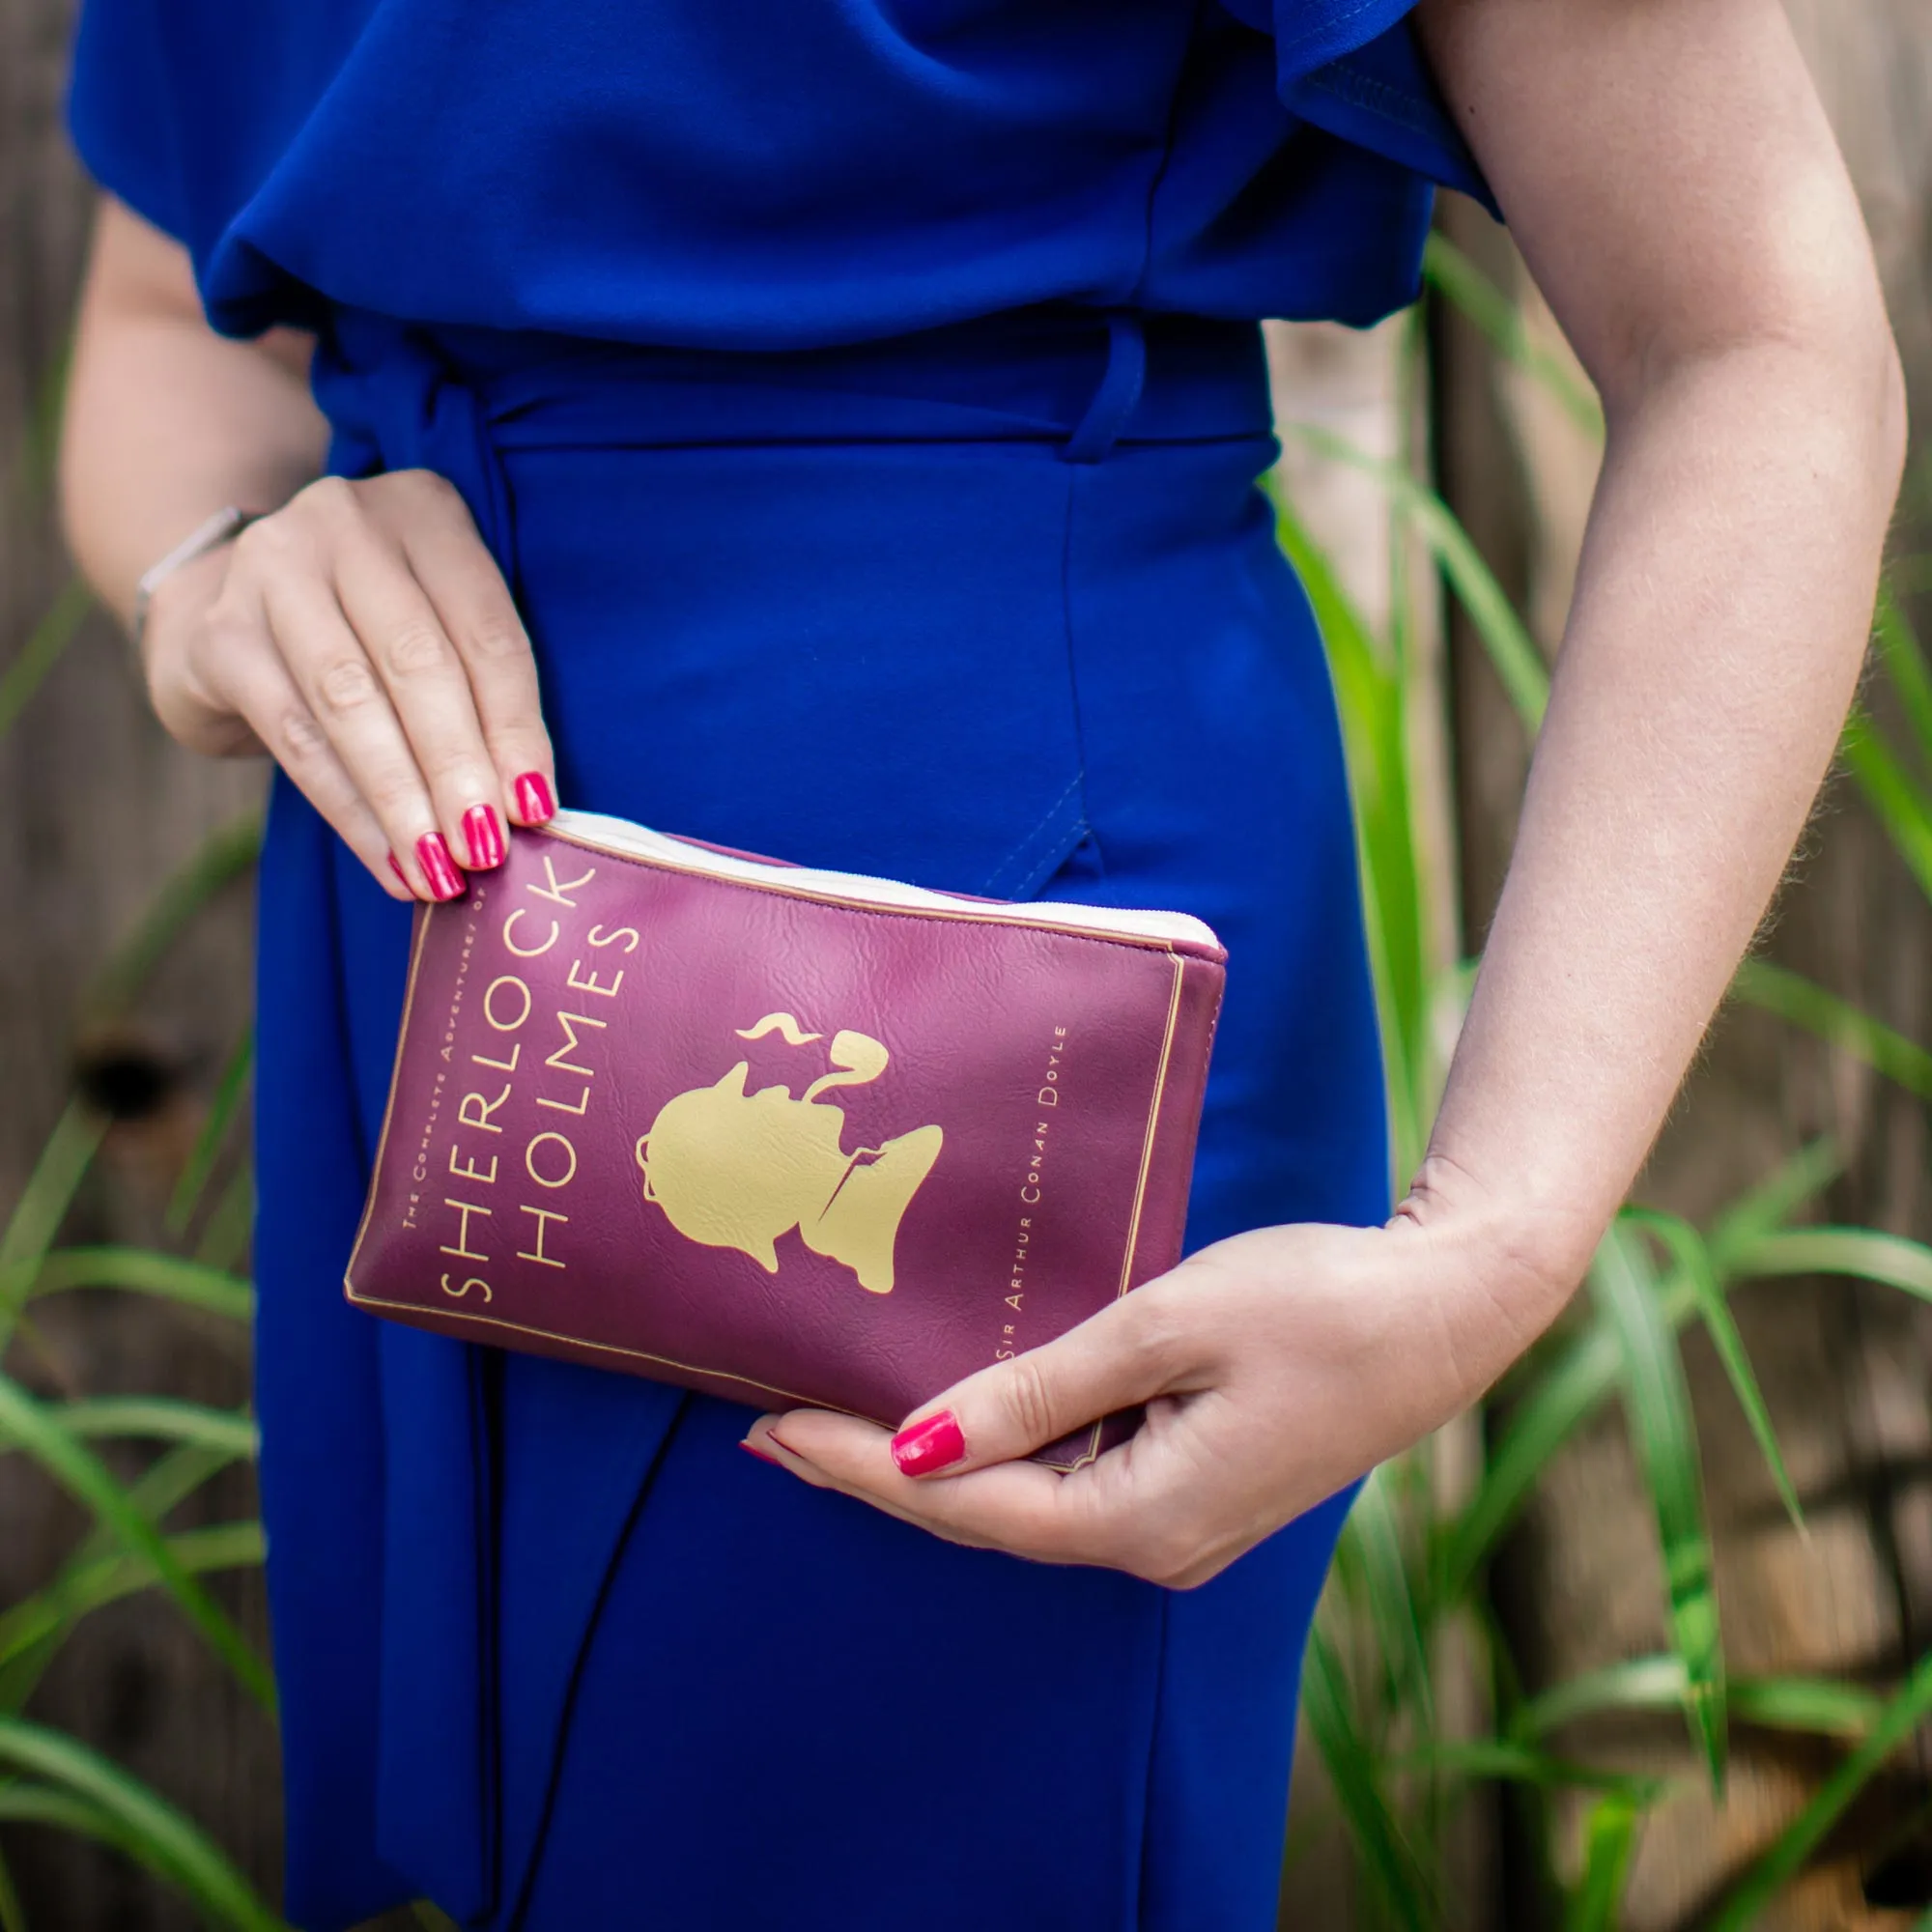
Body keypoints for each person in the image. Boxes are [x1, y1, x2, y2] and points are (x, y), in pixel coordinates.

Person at [56, 0, 1903, 1925]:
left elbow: (1751, 338)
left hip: (977, 965)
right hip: (416, 965)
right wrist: (210, 570)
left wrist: (1497, 1241)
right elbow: (155, 320)